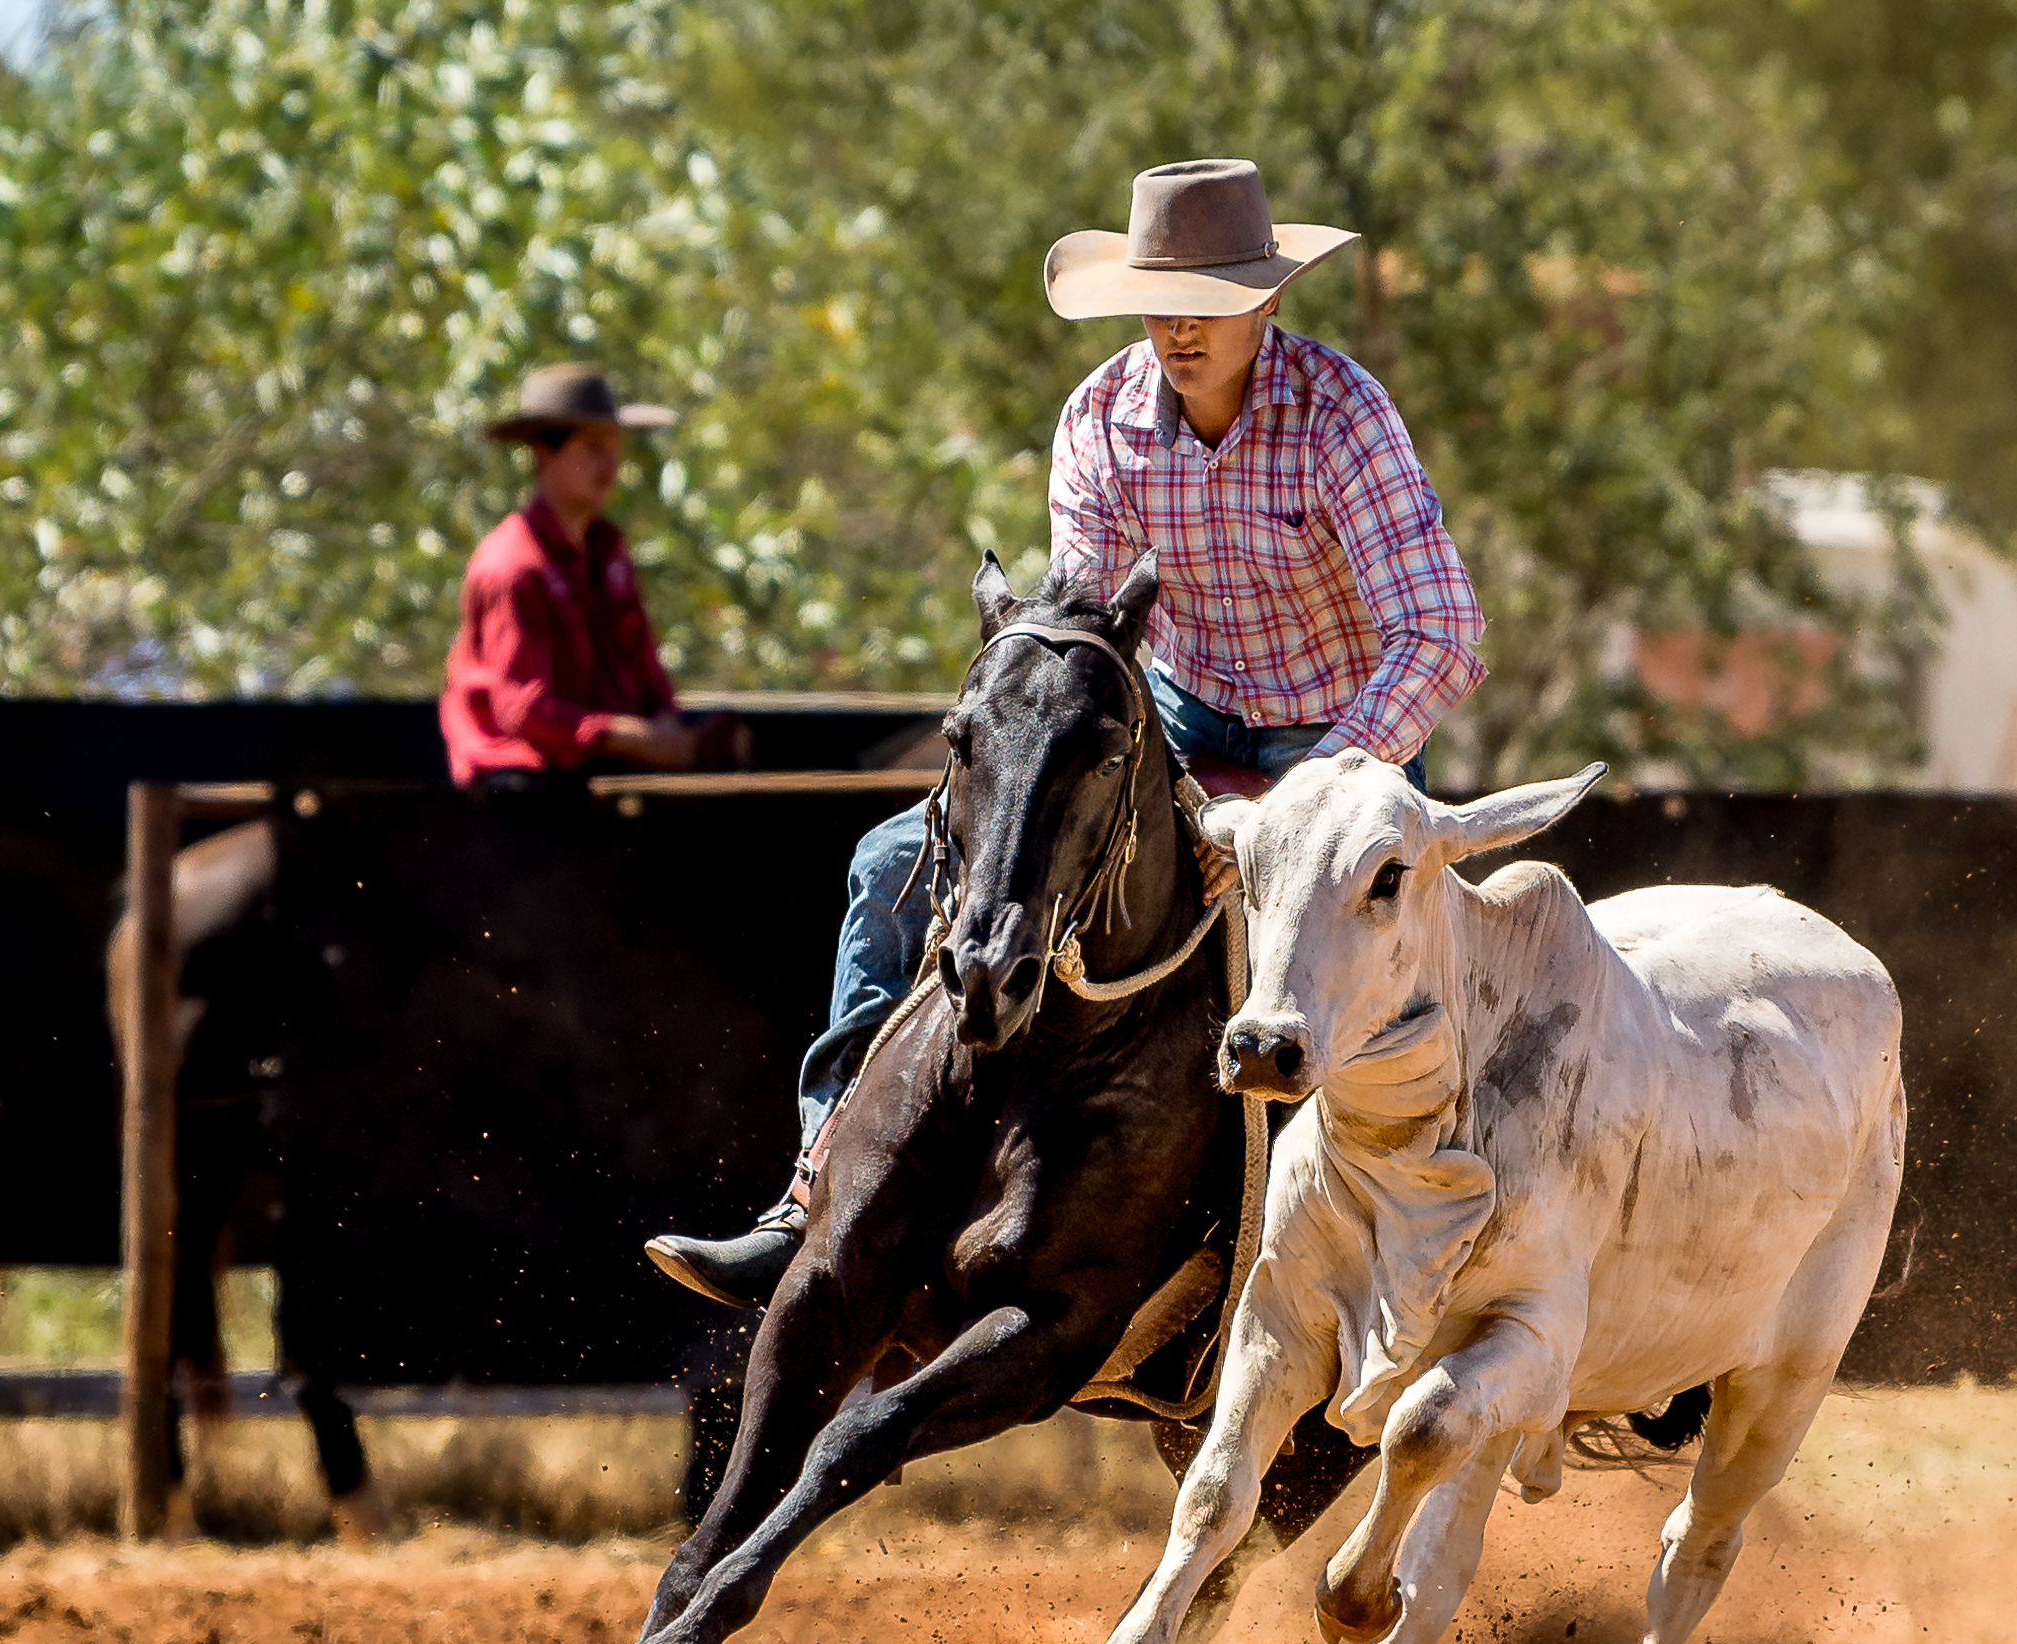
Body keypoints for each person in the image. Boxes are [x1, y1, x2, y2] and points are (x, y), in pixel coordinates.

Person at [646, 157, 1486, 1306]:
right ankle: (815, 1193)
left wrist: (1299, 804)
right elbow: (1086, 633)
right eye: (1159, 299)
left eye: (1209, 300)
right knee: (895, 865)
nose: (1179, 327)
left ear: (1267, 301)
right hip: (1176, 721)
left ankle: (1434, 1255)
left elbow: (1439, 634)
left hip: (1336, 740)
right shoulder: (1100, 416)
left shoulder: (1340, 415)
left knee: (1361, 957)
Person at [441, 363, 701, 785]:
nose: (610, 465)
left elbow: (642, 664)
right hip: (525, 779)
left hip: (597, 764)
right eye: (593, 449)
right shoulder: (513, 567)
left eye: (614, 448)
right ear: (544, 456)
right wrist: (626, 736)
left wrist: (665, 721)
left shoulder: (607, 552)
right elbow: (521, 710)